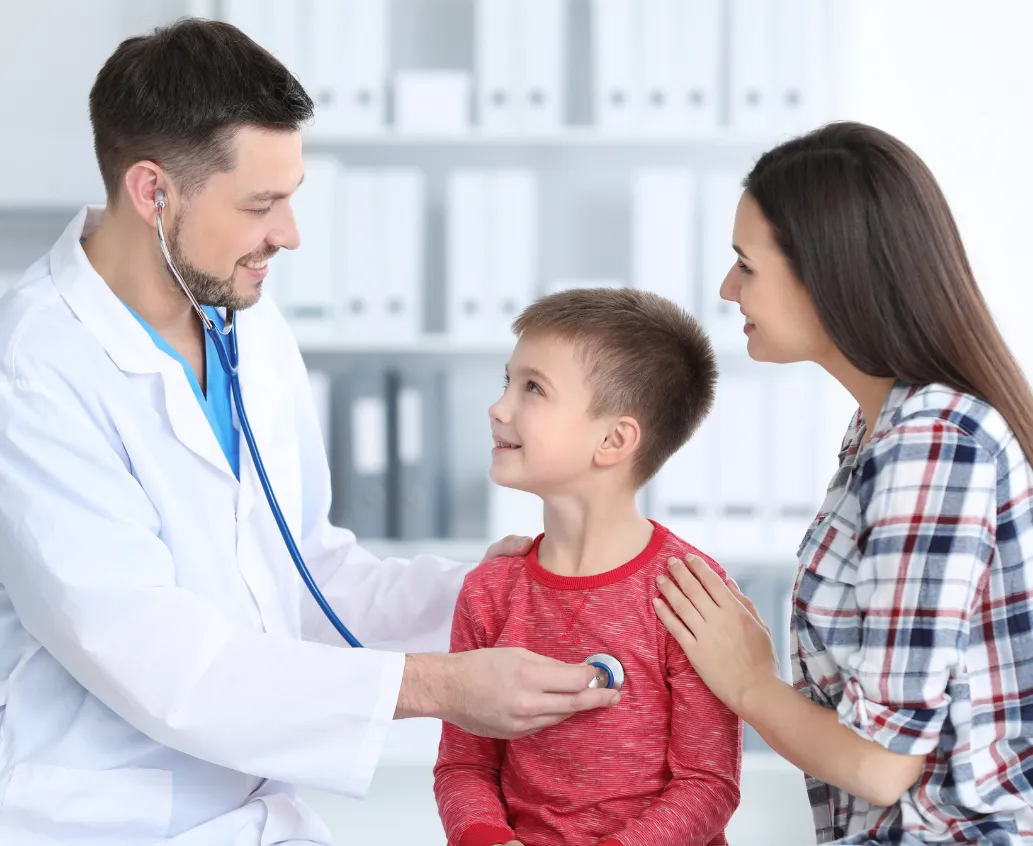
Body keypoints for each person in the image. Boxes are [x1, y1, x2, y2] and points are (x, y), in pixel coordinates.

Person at [0, 18, 619, 846]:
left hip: (255, 811)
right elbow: (159, 661)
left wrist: (484, 596)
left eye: (291, 196)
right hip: (107, 820)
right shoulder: (34, 368)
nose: (288, 234)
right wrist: (440, 688)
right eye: (262, 204)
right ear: (153, 193)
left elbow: (307, 573)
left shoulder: (240, 322)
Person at [652, 121, 1033, 845]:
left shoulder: (931, 442)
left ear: (828, 273)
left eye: (745, 266)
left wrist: (747, 682)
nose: (727, 289)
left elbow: (880, 766)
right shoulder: (881, 429)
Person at [433, 287, 743, 846]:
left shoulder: (691, 592)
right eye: (508, 381)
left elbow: (708, 784)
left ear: (614, 439)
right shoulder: (489, 591)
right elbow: (465, 767)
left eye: (533, 388)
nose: (499, 408)